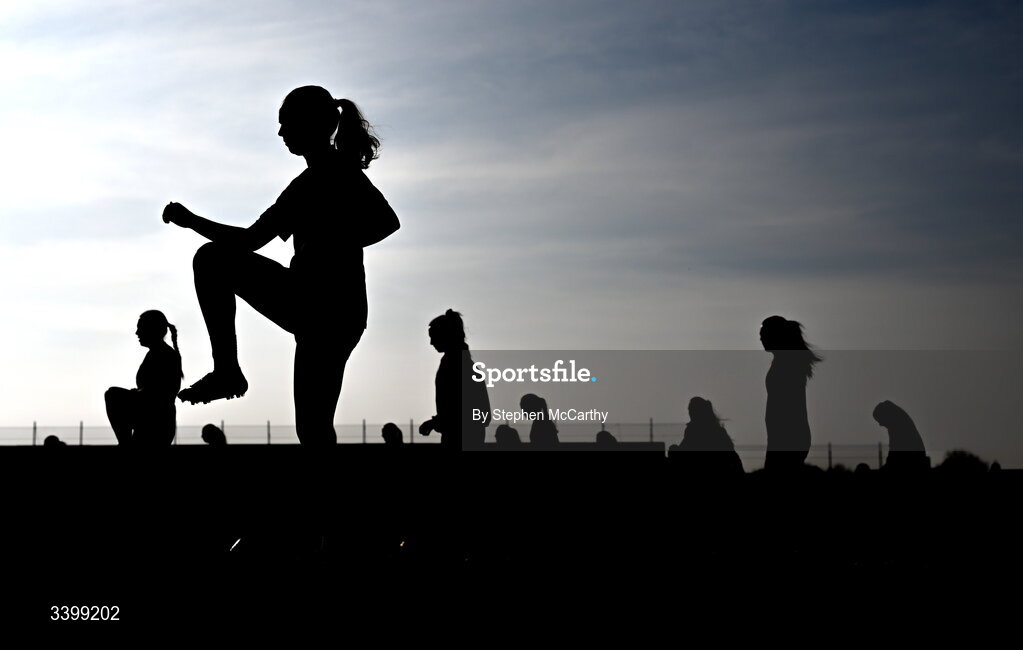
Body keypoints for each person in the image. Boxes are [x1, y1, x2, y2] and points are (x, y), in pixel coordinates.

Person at [163, 86, 399, 445]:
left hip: (331, 308)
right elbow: (250, 240)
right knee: (313, 427)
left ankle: (227, 371)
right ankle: (226, 370)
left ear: (313, 124)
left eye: (286, 124)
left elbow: (386, 222)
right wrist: (193, 221)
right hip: (313, 302)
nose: (280, 133)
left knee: (314, 425)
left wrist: (333, 241)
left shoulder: (339, 172)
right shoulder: (302, 187)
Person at [104, 310, 182, 446]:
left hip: (157, 421)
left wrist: (138, 393)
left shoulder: (165, 355)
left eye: (140, 328)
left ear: (152, 329)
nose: (137, 333)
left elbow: (160, 392)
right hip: (154, 421)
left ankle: (124, 443)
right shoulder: (158, 354)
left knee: (112, 395)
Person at [419, 310, 490, 449]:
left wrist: (437, 423)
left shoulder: (454, 367)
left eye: (434, 336)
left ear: (445, 335)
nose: (431, 342)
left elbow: (457, 410)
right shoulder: (465, 365)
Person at [759, 315, 821, 472]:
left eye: (764, 333)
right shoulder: (783, 361)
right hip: (783, 438)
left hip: (786, 439)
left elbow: (787, 406)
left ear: (776, 336)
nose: (760, 337)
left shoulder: (787, 363)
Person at [669, 396, 744, 475]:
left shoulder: (694, 431)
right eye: (689, 410)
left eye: (691, 409)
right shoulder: (718, 430)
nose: (689, 412)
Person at [873, 400, 929, 472]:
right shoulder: (897, 419)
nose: (880, 424)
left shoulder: (896, 425)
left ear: (884, 415)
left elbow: (894, 450)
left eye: (879, 420)